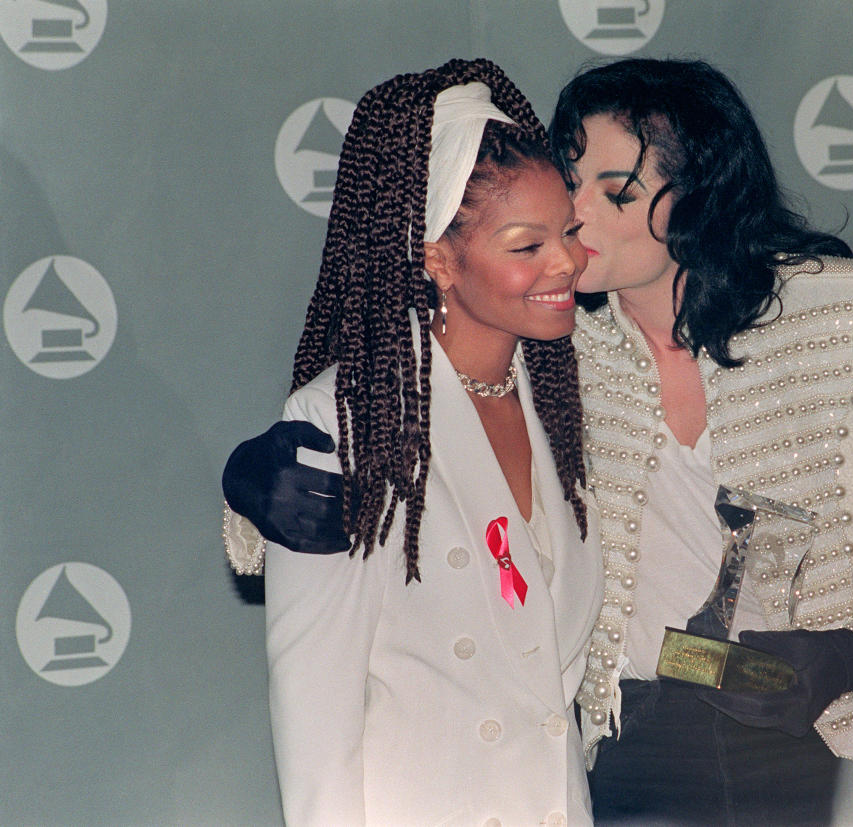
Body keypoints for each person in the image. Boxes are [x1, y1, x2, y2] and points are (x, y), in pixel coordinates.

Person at [225, 58, 853, 823]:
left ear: (700, 191)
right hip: (629, 761)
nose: (574, 216)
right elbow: (381, 434)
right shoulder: (555, 352)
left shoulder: (852, 319)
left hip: (824, 746)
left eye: (615, 191)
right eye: (569, 182)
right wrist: (247, 485)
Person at [224, 58, 604, 826]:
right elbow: (314, 718)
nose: (567, 263)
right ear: (437, 258)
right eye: (527, 245)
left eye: (568, 232)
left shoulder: (568, 399)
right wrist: (241, 486)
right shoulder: (347, 419)